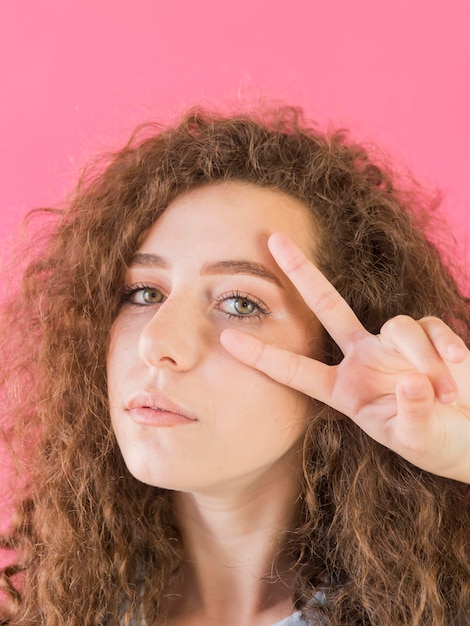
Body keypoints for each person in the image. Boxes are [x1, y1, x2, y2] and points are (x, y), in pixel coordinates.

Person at [0, 106, 469, 626]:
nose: (157, 342)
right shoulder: (58, 609)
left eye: (240, 304)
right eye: (143, 292)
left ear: (337, 357)